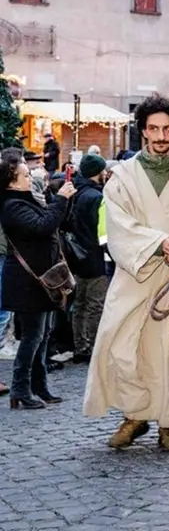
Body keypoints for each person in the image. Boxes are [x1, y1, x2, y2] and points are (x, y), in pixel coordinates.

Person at [83, 95, 169, 451]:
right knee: (120, 345)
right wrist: (160, 243)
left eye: (167, 128)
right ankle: (134, 415)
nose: (160, 135)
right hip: (136, 275)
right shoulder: (123, 177)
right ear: (143, 132)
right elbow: (119, 227)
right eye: (153, 128)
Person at [0, 147, 76, 409]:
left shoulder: (26, 199)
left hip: (43, 280)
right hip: (27, 282)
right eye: (23, 175)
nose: (28, 177)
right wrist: (61, 200)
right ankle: (20, 388)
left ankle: (39, 386)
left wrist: (56, 196)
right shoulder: (11, 205)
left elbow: (52, 220)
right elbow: (42, 226)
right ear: (12, 180)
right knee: (33, 336)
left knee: (43, 334)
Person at [68, 154, 109, 364]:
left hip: (76, 256)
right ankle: (94, 346)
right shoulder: (96, 197)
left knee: (80, 304)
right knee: (95, 304)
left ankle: (80, 345)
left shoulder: (74, 192)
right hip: (94, 257)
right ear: (98, 172)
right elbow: (103, 233)